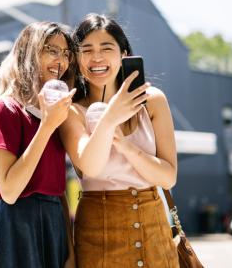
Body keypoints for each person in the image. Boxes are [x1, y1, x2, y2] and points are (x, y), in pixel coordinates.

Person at [60, 14, 179, 267]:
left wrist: (126, 146)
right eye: (87, 50)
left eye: (107, 48)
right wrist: (110, 117)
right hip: (98, 229)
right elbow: (90, 166)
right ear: (77, 59)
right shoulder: (71, 110)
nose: (97, 58)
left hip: (154, 226)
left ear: (123, 54)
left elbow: (168, 177)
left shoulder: (153, 100)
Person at [0, 21, 77, 268]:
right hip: (17, 230)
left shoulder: (54, 114)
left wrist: (70, 249)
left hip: (54, 225)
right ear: (29, 53)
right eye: (51, 50)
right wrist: (46, 126)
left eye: (66, 53)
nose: (61, 61)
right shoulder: (7, 110)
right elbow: (10, 191)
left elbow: (59, 191)